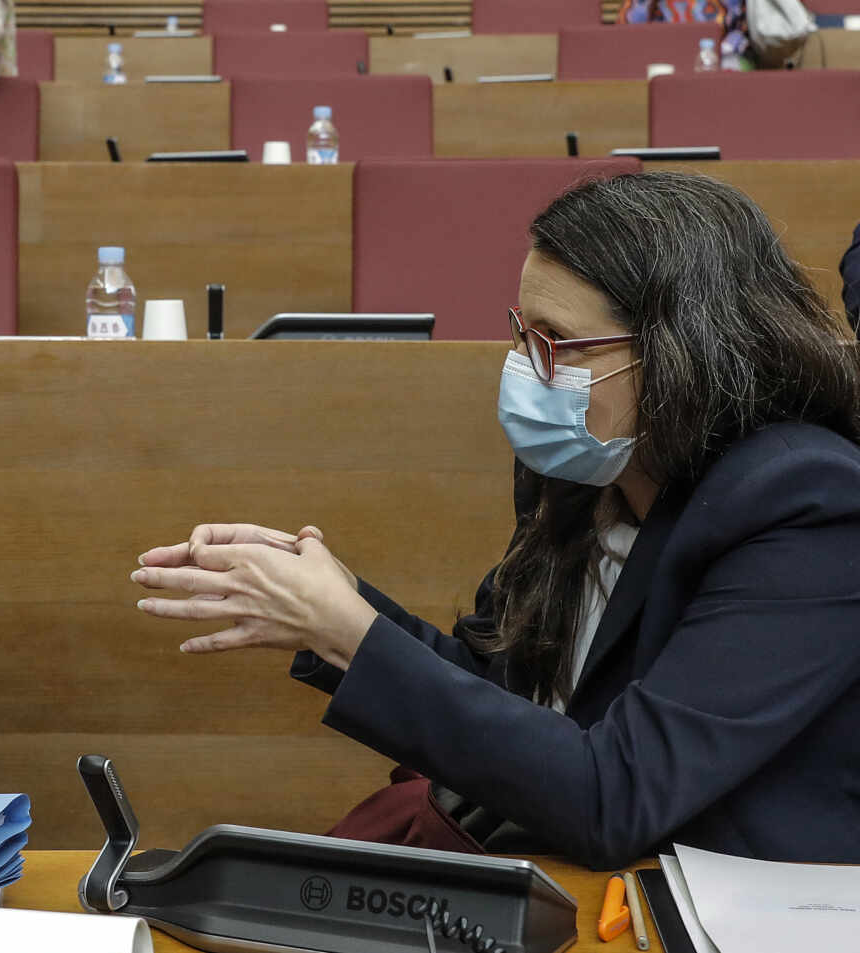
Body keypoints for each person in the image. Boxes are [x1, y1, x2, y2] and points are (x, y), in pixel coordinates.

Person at [132, 172, 860, 869]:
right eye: (521, 333)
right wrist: (338, 606)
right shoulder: (586, 473)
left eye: (554, 343)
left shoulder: (804, 507)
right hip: (578, 873)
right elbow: (507, 693)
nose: (523, 368)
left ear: (682, 354)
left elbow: (614, 793)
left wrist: (349, 632)